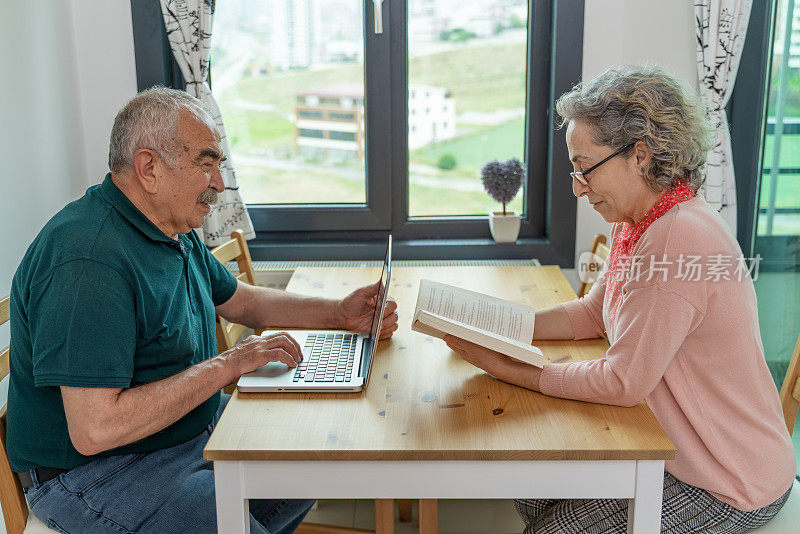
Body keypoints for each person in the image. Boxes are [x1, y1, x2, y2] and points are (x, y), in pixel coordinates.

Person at [7, 86, 399, 533]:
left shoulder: (171, 226)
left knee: (312, 458)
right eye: (206, 164)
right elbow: (95, 429)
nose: (218, 182)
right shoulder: (88, 261)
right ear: (149, 168)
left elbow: (242, 300)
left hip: (187, 435)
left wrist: (340, 314)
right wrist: (229, 364)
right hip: (101, 473)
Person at [443, 66, 795, 533]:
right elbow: (595, 313)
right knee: (530, 482)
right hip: (678, 448)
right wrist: (502, 323)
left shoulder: (677, 238)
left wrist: (511, 368)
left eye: (585, 168)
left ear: (640, 156)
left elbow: (622, 382)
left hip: (727, 480)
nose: (577, 186)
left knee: (548, 527)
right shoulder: (639, 221)